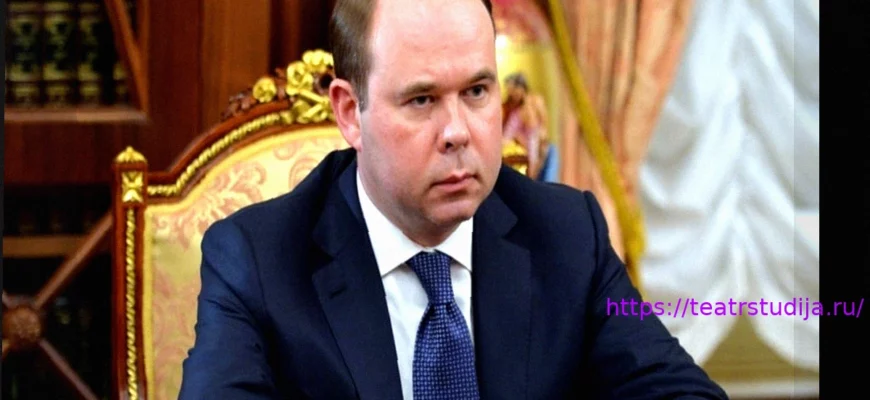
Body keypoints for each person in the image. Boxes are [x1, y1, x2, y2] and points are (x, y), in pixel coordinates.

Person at [179, 0, 729, 399]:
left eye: (477, 92)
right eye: (422, 100)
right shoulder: (258, 260)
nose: (458, 132)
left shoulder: (566, 233)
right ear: (349, 112)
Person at [501, 73, 551, 181]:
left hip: (536, 145)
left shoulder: (535, 101)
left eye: (513, 90)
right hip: (522, 147)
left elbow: (541, 125)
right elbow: (508, 134)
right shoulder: (514, 111)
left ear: (520, 88)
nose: (512, 94)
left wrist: (540, 140)